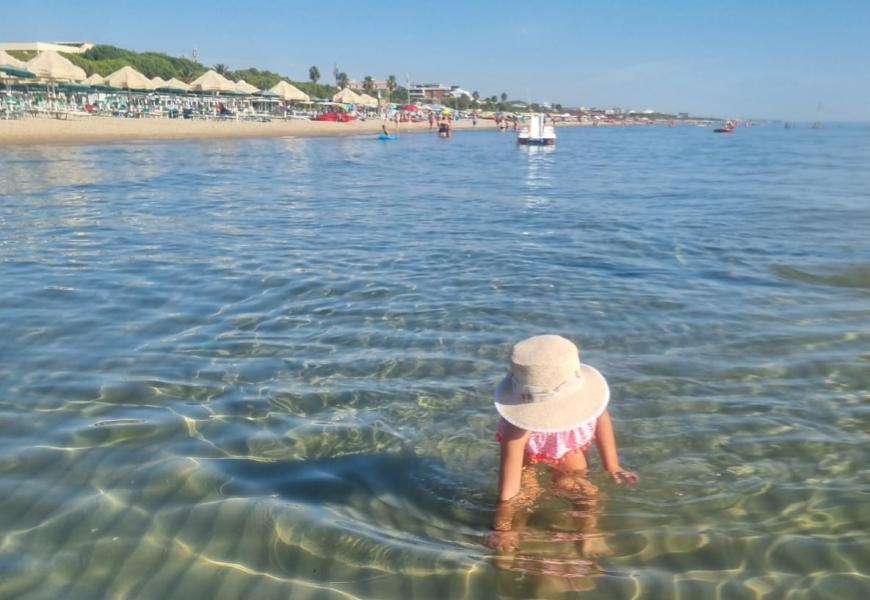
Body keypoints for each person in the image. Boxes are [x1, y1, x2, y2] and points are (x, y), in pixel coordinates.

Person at [487, 335, 637, 557]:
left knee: (583, 490)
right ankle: (514, 536)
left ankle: (588, 532)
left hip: (567, 449)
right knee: (525, 493)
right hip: (530, 452)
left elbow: (602, 419)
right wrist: (502, 525)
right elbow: (509, 488)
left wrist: (612, 465)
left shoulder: (587, 405)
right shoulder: (517, 427)